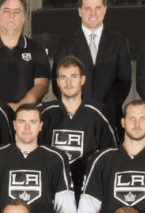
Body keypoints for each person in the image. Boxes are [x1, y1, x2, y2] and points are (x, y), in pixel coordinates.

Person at [49, 0, 130, 123]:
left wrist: (104, 109)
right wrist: (77, 108)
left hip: (109, 116)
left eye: (97, 8)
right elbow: (57, 81)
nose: (93, 13)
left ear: (105, 9)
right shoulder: (66, 43)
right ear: (80, 11)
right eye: (87, 8)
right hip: (74, 117)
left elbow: (124, 82)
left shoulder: (119, 42)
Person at [39, 54, 116, 189]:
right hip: (51, 188)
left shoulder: (99, 113)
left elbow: (110, 156)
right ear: (57, 81)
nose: (68, 82)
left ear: (82, 80)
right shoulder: (44, 113)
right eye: (64, 77)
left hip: (87, 189)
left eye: (74, 77)